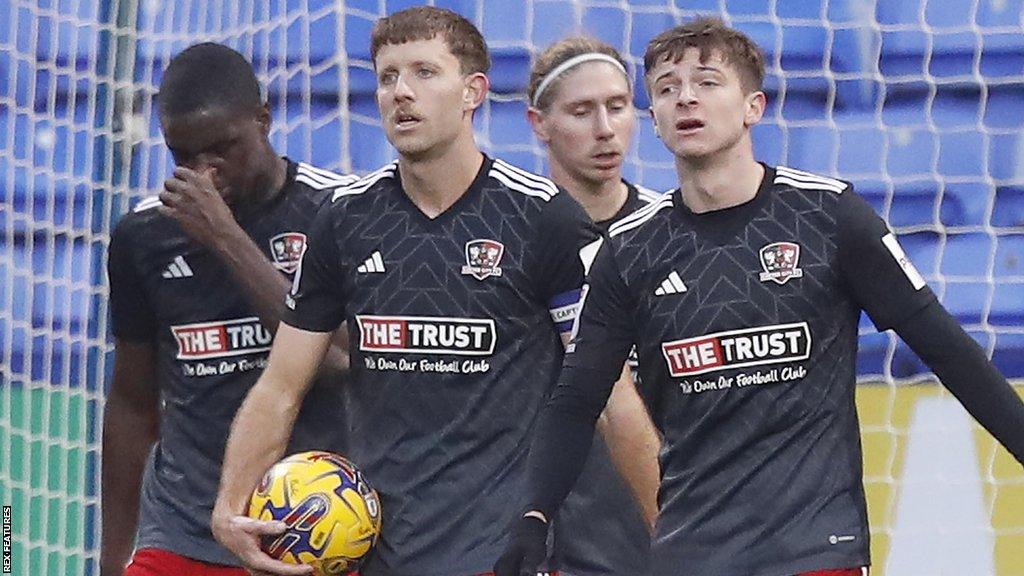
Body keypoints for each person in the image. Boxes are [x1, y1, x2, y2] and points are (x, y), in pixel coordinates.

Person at [496, 16, 1024, 576]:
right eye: (668, 89)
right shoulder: (629, 252)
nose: (685, 99)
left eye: (706, 82)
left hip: (817, 550)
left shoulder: (827, 217)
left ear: (754, 106)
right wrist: (534, 514)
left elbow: (946, 348)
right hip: (691, 555)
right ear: (655, 119)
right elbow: (577, 399)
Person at [211, 7, 656, 576]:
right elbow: (280, 386)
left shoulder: (543, 220)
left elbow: (612, 400)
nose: (401, 93)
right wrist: (229, 506)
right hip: (375, 554)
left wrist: (670, 536)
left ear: (472, 92)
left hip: (498, 555)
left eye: (424, 72)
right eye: (388, 76)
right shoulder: (345, 220)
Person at [100, 43, 354, 576]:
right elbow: (131, 402)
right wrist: (112, 556)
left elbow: (335, 363)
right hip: (182, 528)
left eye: (223, 148)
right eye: (184, 157)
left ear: (263, 121)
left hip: (312, 531)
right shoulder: (143, 237)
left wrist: (225, 238)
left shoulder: (337, 211)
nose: (204, 173)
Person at [524, 36, 660, 576]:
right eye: (582, 111)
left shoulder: (669, 234)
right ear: (540, 123)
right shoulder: (511, 235)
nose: (605, 129)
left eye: (618, 106)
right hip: (535, 520)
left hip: (653, 516)